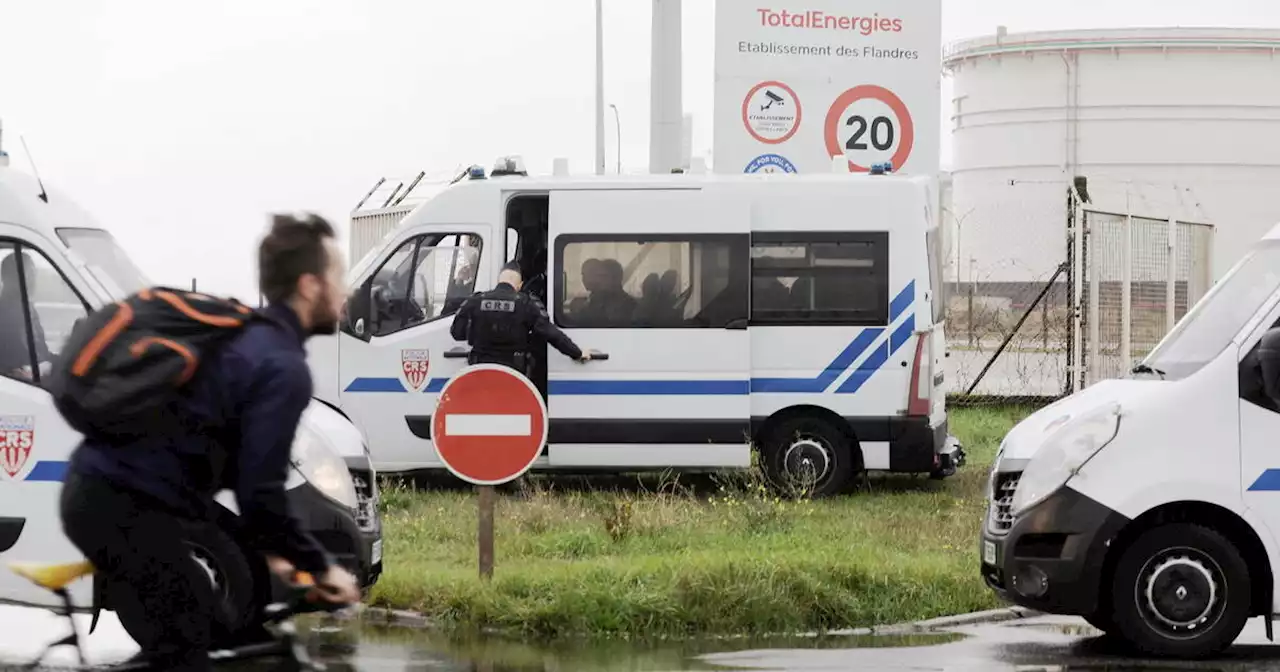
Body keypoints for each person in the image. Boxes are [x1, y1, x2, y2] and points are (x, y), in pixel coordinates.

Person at [59, 214, 361, 671]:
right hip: (119, 507)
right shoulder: (280, 365)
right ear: (308, 286)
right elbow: (260, 494)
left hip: (108, 499)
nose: (347, 291)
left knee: (206, 629)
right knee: (190, 646)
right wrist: (321, 567)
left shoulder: (250, 341)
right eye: (338, 277)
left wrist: (278, 553)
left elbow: (241, 471)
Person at [450, 261, 591, 373]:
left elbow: (456, 332)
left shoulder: (475, 300)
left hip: (479, 370)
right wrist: (576, 352)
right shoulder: (527, 303)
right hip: (513, 373)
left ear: (499, 280)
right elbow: (551, 333)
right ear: (520, 285)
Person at [0, 251, 52, 379]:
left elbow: (42, 353)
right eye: (28, 275)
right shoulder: (10, 314)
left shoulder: (25, 307)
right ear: (8, 278)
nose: (33, 281)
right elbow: (27, 362)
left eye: (34, 274)